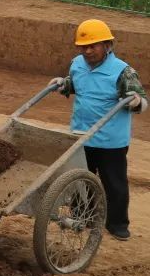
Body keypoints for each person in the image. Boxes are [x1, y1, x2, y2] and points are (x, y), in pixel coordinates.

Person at [49, 19, 147, 241]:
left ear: (107, 45)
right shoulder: (77, 64)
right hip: (80, 135)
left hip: (110, 141)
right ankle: (84, 217)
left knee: (114, 183)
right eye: (84, 46)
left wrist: (135, 102)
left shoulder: (123, 71)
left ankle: (118, 224)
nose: (88, 50)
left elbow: (141, 101)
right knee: (80, 181)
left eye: (93, 46)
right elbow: (74, 83)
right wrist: (62, 84)